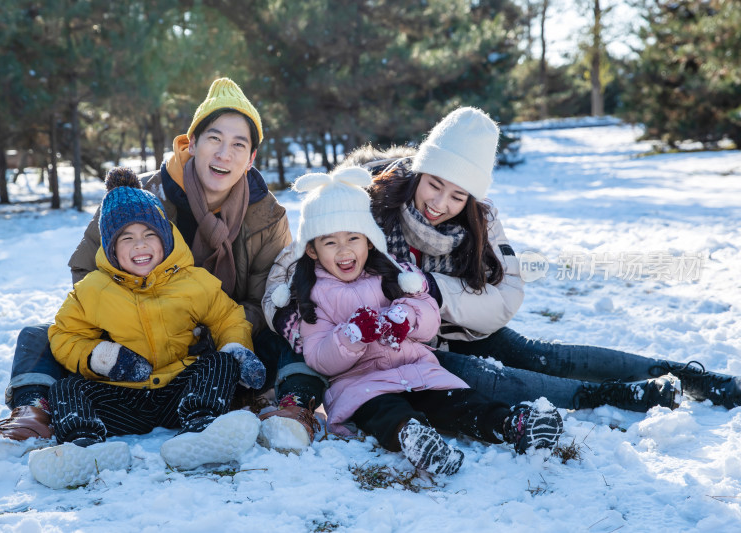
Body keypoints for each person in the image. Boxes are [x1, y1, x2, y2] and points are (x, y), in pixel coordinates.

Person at [261, 107, 741, 451]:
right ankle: (608, 397)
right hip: (397, 347)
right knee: (498, 379)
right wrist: (293, 319)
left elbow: (508, 293)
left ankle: (689, 376)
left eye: (457, 195)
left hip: (450, 323)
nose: (439, 203)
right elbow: (291, 263)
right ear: (419, 169)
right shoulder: (369, 196)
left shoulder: (481, 221)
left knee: (543, 355)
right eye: (433, 184)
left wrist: (432, 293)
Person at [0, 77, 292, 462]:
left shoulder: (267, 216)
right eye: (214, 138)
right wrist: (126, 317)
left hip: (216, 338)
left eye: (239, 145)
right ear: (191, 143)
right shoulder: (137, 199)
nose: (224, 154)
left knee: (288, 329)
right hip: (129, 340)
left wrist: (198, 329)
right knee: (40, 336)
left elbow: (265, 296)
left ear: (250, 160)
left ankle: (274, 407)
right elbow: (86, 269)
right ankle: (32, 415)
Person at [279, 166, 563, 474]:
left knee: (459, 401)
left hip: (416, 369)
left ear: (370, 241)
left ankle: (510, 424)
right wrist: (351, 335)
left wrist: (407, 318)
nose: (345, 250)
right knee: (384, 411)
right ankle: (411, 436)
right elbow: (319, 358)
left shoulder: (393, 272)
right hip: (361, 384)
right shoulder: (312, 296)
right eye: (330, 242)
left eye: (353, 238)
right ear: (311, 249)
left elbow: (429, 314)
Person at [27, 167, 266, 489]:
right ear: (111, 248)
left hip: (180, 394)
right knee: (66, 389)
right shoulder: (92, 289)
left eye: (149, 235)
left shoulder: (193, 282)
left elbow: (228, 318)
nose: (140, 245)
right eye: (127, 238)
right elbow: (65, 335)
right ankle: (86, 446)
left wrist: (236, 348)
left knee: (219, 362)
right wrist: (102, 357)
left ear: (166, 238)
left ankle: (201, 429)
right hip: (123, 396)